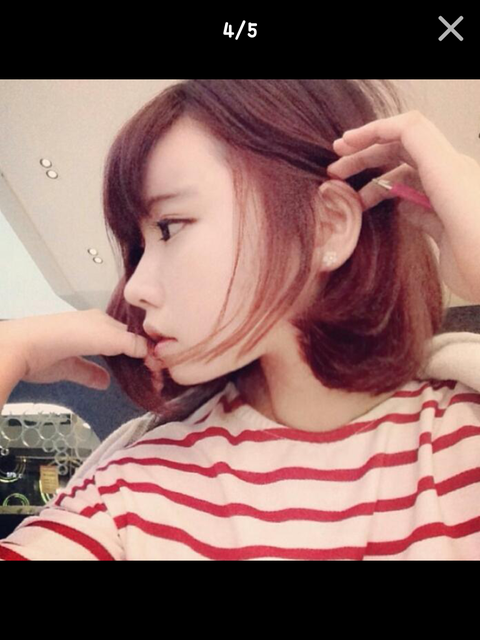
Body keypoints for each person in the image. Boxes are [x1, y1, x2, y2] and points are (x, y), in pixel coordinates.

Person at [1, 79, 480, 560]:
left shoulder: (461, 441)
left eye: (169, 227)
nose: (133, 288)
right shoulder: (133, 489)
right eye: (138, 248)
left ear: (327, 226)